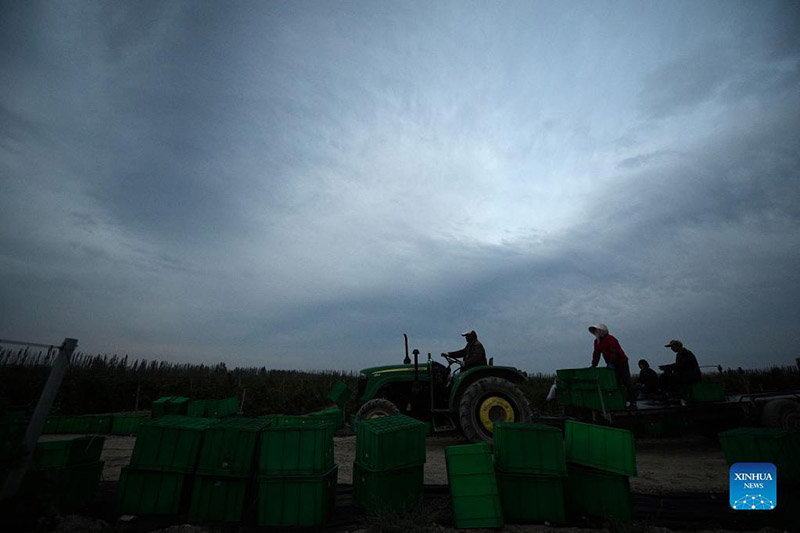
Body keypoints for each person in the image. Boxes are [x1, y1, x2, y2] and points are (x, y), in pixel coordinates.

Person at [588, 323, 637, 408]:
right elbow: (596, 353)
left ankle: (632, 401)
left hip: (621, 362)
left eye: (598, 330)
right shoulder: (597, 342)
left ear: (603, 331)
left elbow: (614, 351)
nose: (596, 332)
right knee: (615, 382)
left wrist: (611, 362)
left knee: (626, 381)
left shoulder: (611, 339)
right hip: (611, 364)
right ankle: (620, 400)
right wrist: (593, 365)